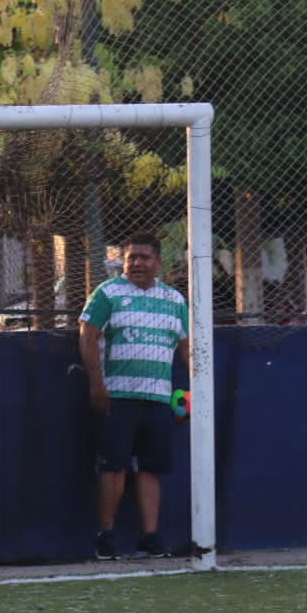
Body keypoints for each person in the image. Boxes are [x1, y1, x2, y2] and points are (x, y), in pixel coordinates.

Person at [79, 233, 190, 560]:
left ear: (158, 262)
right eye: (132, 258)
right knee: (113, 467)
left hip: (158, 398)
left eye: (144, 257)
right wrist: (96, 385)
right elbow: (87, 335)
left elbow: (186, 347)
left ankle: (150, 539)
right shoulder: (107, 293)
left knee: (150, 469)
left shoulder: (174, 300)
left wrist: (197, 384)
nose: (137, 263)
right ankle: (106, 537)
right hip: (117, 397)